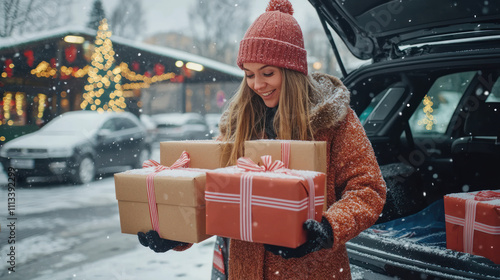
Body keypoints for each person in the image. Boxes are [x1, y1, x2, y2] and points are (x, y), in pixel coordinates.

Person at [138, 0, 386, 279]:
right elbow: (214, 197)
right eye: (249, 75)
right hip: (245, 270)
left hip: (312, 271)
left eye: (268, 73)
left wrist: (326, 229)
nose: (257, 85)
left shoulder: (334, 120)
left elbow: (368, 189)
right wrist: (176, 234)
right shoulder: (237, 124)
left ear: (293, 71)